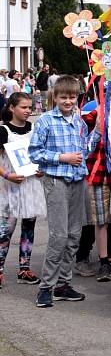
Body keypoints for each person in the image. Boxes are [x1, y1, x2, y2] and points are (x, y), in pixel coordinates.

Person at [29, 76, 90, 308]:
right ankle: (46, 286)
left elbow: (84, 148)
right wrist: (62, 158)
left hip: (77, 181)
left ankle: (64, 283)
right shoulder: (45, 121)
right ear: (55, 96)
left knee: (75, 234)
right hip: (56, 181)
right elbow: (35, 152)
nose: (68, 101)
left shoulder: (79, 121)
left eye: (72, 97)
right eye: (63, 97)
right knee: (59, 236)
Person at [0, 92, 46, 288]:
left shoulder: (34, 128)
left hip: (31, 185)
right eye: (23, 107)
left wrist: (41, 169)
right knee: (5, 230)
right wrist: (7, 175)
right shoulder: (3, 131)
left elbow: (38, 154)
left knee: (29, 227)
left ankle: (24, 268)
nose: (28, 111)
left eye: (29, 107)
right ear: (12, 108)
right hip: (10, 185)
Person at [82, 92, 111, 283]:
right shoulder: (88, 120)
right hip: (98, 175)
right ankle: (104, 261)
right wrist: (98, 127)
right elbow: (85, 148)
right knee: (100, 220)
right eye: (108, 100)